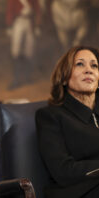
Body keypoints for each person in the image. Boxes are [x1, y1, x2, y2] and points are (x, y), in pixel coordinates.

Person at [36, 46, 99, 198]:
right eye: (80, 64)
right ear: (64, 77)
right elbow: (62, 170)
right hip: (76, 192)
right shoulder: (50, 116)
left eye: (94, 65)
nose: (88, 70)